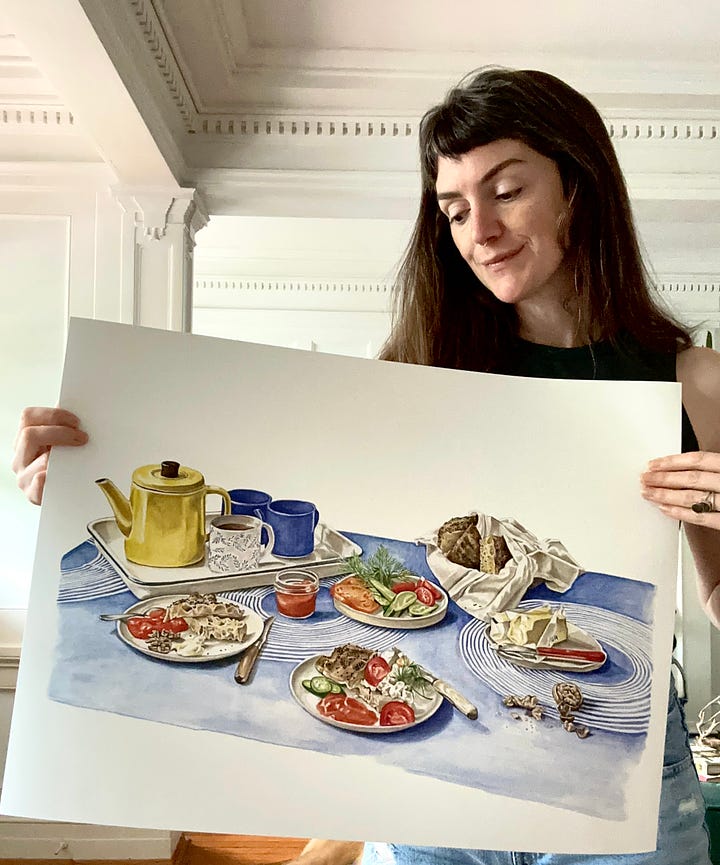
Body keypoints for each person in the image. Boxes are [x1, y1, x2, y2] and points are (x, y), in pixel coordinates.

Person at [12, 67, 720, 864]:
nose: (478, 228)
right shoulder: (410, 373)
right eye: (454, 209)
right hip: (438, 761)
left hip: (616, 769)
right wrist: (74, 487)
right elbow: (292, 563)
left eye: (507, 190)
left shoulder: (692, 380)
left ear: (578, 189)